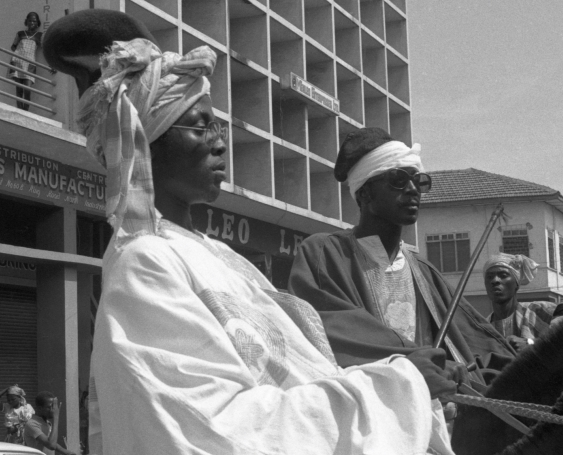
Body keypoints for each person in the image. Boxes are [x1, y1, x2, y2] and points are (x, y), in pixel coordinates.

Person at [44, 11, 456, 454]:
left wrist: (402, 377)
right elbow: (216, 431)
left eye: (218, 127)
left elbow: (305, 376)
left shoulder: (221, 257)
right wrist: (398, 387)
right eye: (200, 126)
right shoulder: (144, 263)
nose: (220, 142)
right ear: (145, 143)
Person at [288, 128, 515, 389]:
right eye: (398, 179)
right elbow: (328, 329)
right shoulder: (323, 253)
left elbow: (474, 340)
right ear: (365, 193)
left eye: (418, 181)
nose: (412, 189)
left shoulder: (424, 271)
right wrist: (418, 362)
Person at [483, 253, 563, 352]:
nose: (495, 281)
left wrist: (530, 343)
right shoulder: (483, 328)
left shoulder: (541, 311)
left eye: (503, 275)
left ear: (516, 283)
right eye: (489, 277)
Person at [7, 12, 43, 110]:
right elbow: (13, 46)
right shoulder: (20, 33)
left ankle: (26, 111)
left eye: (34, 21)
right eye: (30, 20)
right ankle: (20, 111)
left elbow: (45, 49)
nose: (32, 23)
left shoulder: (39, 35)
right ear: (26, 21)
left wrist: (52, 64)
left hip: (30, 64)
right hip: (18, 62)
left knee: (27, 89)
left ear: (37, 23)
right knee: (19, 90)